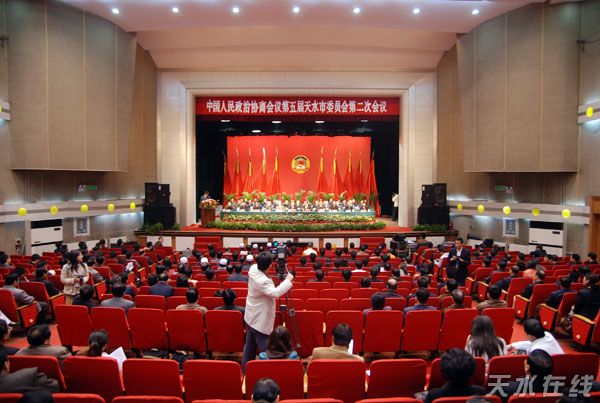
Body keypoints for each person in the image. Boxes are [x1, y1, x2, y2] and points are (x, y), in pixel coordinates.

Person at [243, 252, 294, 370]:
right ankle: (268, 371)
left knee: (249, 348)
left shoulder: (253, 268)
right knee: (266, 351)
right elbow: (275, 293)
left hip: (250, 316)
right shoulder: (262, 281)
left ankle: (246, 372)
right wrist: (288, 280)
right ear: (269, 265)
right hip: (259, 321)